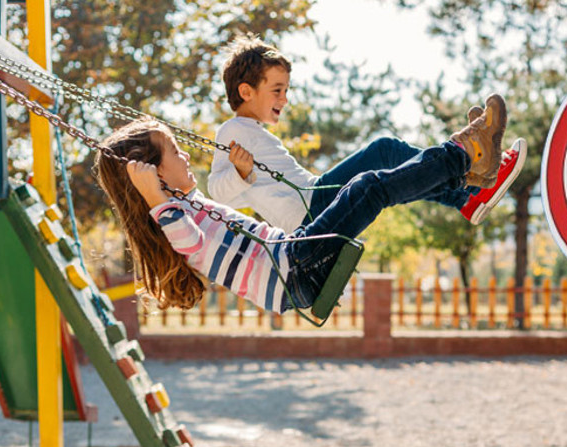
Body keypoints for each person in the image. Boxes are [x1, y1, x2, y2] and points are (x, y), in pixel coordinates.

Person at [94, 99, 514, 312]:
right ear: (155, 173)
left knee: (369, 184)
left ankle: (466, 174)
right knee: (367, 187)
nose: (184, 156)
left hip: (293, 257)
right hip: (292, 269)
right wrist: (152, 196)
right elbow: (190, 240)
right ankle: (462, 156)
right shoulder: (171, 218)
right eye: (173, 151)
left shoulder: (181, 204)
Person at [207, 34, 526, 230]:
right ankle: (472, 178)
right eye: (276, 90)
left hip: (312, 201)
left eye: (286, 90)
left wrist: (242, 173)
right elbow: (217, 194)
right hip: (310, 209)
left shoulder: (249, 130)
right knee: (385, 151)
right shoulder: (233, 130)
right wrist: (239, 172)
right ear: (246, 92)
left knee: (392, 170)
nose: (284, 99)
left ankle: (468, 196)